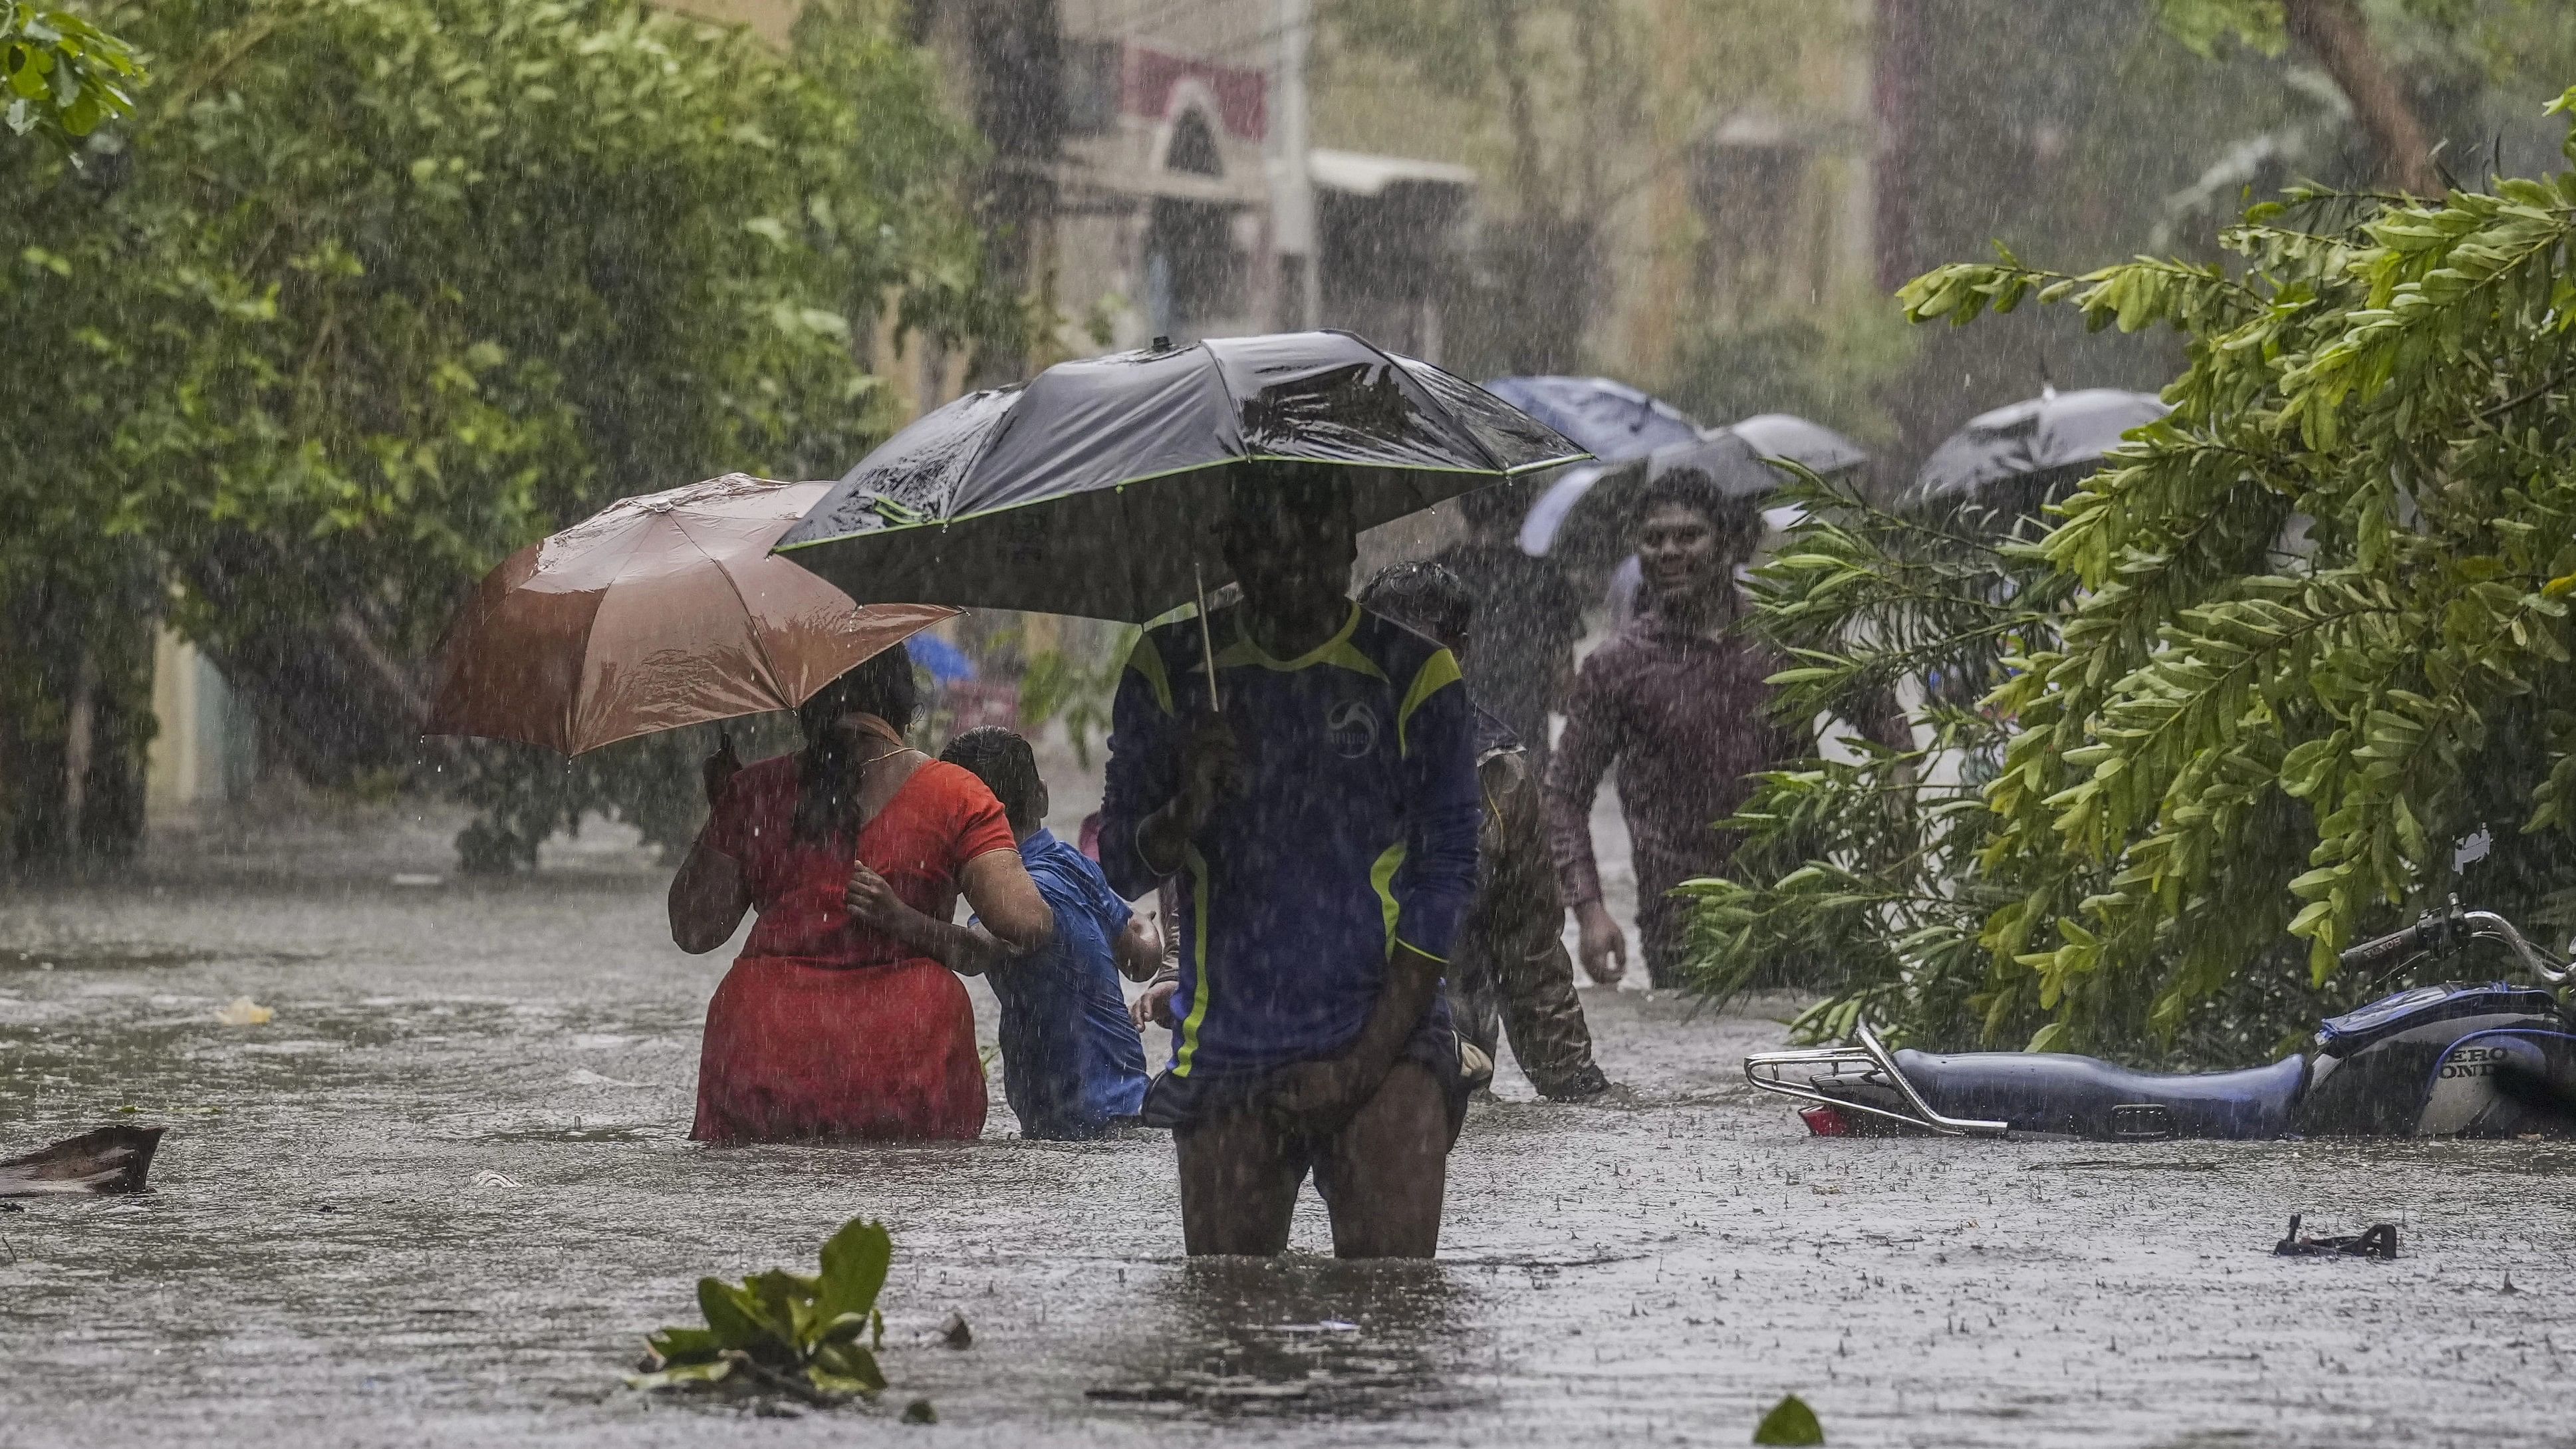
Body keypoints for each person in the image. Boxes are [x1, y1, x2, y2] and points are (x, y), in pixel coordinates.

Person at [1097, 462, 1481, 1259]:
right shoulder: (1171, 670)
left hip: (1386, 1040)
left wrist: (1362, 1064)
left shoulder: (1413, 674)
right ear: (1230, 552)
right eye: (1268, 548)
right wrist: (1187, 805)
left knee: (1394, 1315)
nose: (1295, 568)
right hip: (1227, 1047)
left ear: (1349, 543)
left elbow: (1443, 882)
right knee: (1228, 1324)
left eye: (1315, 543)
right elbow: (1121, 866)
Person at [668, 648, 1055, 1142]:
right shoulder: (958, 794)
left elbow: (694, 929)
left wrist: (727, 810)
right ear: (904, 703)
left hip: (765, 1047)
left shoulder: (756, 791)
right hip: (907, 1050)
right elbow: (1027, 922)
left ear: (806, 702)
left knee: (767, 1210)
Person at [1545, 469, 1809, 991]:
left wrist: (1895, 825)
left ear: (1727, 543)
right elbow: (1563, 794)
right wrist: (1590, 911)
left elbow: (1881, 715)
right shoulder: (1617, 667)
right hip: (1684, 924)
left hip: (1801, 909)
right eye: (1654, 537)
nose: (1669, 550)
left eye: (1688, 535)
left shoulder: (1784, 639)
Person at [1357, 559, 1611, 1101]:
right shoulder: (1315, 753)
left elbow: (1530, 954)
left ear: (1459, 649)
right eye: (1379, 642)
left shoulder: (1499, 774)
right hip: (1330, 1053)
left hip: (1451, 1071)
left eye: (1417, 645)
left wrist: (1576, 1087)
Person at [891, 726, 1159, 1141]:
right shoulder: (1072, 863)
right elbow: (1140, 960)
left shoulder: (1018, 896)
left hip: (1079, 1123)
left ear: (957, 821)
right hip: (1129, 1104)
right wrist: (1146, 925)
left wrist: (899, 918)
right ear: (1043, 796)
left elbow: (974, 953)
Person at [1430, 482, 1585, 773]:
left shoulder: (1437, 576)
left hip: (1450, 755)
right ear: (1524, 508)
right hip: (1523, 758)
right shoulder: (1545, 580)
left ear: (1465, 508)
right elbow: (1562, 691)